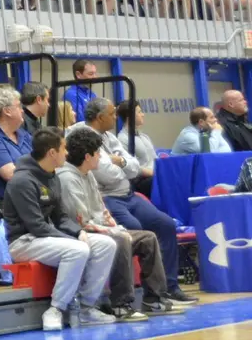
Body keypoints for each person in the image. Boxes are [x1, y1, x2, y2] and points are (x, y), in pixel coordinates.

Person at [55, 127, 187, 320]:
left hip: (99, 228)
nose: (101, 156)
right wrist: (112, 230)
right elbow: (81, 220)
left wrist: (113, 225)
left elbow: (102, 209)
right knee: (121, 239)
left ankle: (154, 299)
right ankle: (121, 304)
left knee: (147, 238)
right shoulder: (67, 178)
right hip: (81, 232)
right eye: (98, 153)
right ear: (87, 156)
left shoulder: (88, 174)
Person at [76, 98, 194, 303]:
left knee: (165, 224)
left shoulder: (110, 137)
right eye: (112, 114)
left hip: (128, 195)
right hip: (107, 197)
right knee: (135, 229)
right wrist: (124, 166)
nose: (115, 117)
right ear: (100, 117)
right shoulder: (82, 134)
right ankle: (125, 296)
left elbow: (133, 165)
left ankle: (168, 288)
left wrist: (120, 162)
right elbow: (105, 174)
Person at [3, 128, 118, 331]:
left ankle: (85, 307)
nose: (67, 153)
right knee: (78, 249)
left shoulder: (52, 176)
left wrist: (78, 232)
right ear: (52, 153)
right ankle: (55, 309)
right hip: (23, 242)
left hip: (46, 238)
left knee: (106, 244)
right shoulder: (21, 181)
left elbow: (61, 217)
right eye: (63, 148)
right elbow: (36, 226)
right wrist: (73, 239)